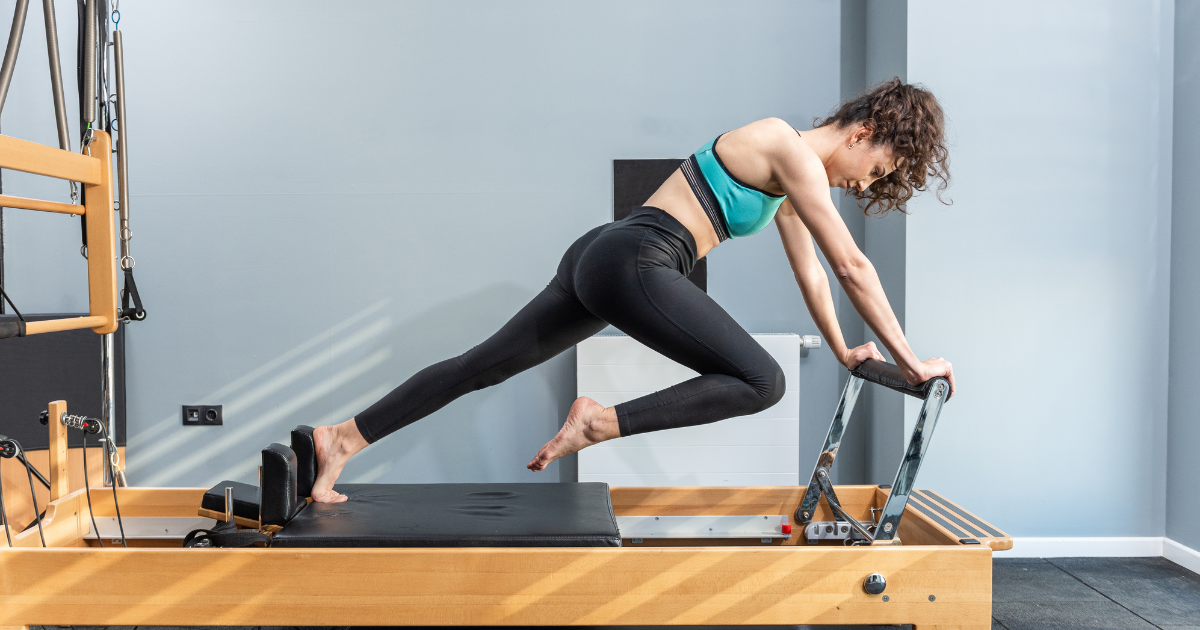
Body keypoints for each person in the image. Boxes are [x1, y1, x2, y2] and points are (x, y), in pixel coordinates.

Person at [309, 78, 956, 503]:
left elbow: (813, 269)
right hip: (635, 260)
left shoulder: (791, 179)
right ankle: (598, 421)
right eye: (875, 172)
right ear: (863, 134)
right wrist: (912, 361)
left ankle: (343, 438)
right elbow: (851, 267)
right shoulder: (783, 144)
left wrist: (846, 350)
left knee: (481, 366)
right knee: (763, 383)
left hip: (605, 254)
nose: (866, 186)